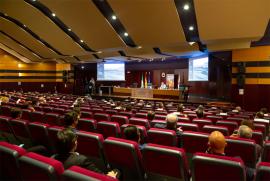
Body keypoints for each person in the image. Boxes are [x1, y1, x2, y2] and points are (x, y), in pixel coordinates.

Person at [53, 128, 118, 178]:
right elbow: (100, 176)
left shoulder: (53, 158)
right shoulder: (81, 160)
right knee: (117, 171)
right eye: (75, 140)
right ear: (74, 143)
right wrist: (110, 176)